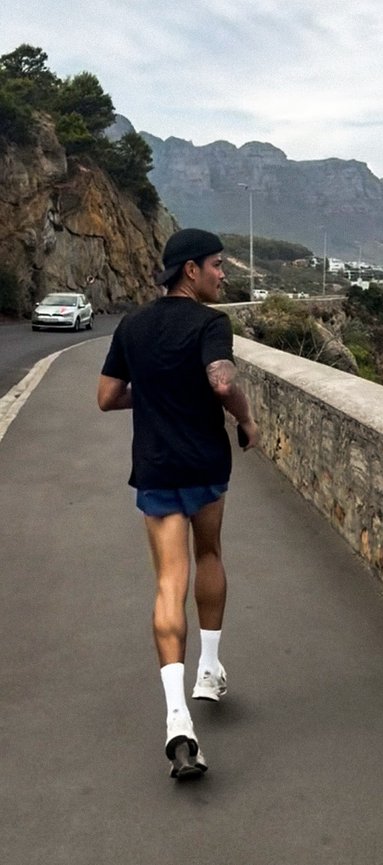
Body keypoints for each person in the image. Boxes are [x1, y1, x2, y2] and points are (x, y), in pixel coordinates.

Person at [97, 228, 258, 779]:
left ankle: (177, 719)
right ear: (191, 269)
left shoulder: (133, 324)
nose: (223, 274)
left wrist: (154, 395)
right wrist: (246, 418)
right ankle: (209, 669)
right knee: (209, 553)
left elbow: (107, 397)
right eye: (217, 265)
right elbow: (221, 383)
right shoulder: (212, 323)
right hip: (205, 464)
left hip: (157, 467)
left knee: (170, 581)